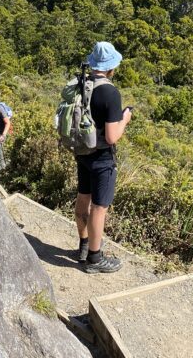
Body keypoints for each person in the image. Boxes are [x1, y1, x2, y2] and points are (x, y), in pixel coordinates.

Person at [75, 41, 132, 274]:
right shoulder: (110, 92)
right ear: (111, 67)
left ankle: (84, 245)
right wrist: (125, 118)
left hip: (82, 152)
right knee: (99, 208)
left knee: (83, 198)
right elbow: (111, 136)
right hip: (101, 158)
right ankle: (95, 259)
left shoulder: (81, 84)